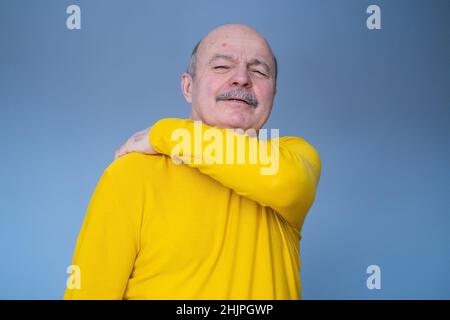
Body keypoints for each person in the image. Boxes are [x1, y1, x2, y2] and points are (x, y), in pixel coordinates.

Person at [64, 24, 321, 300]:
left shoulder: (294, 157)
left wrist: (163, 133)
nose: (242, 78)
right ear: (188, 87)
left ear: (272, 95)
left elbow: (284, 181)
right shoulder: (130, 174)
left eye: (259, 71)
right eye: (222, 66)